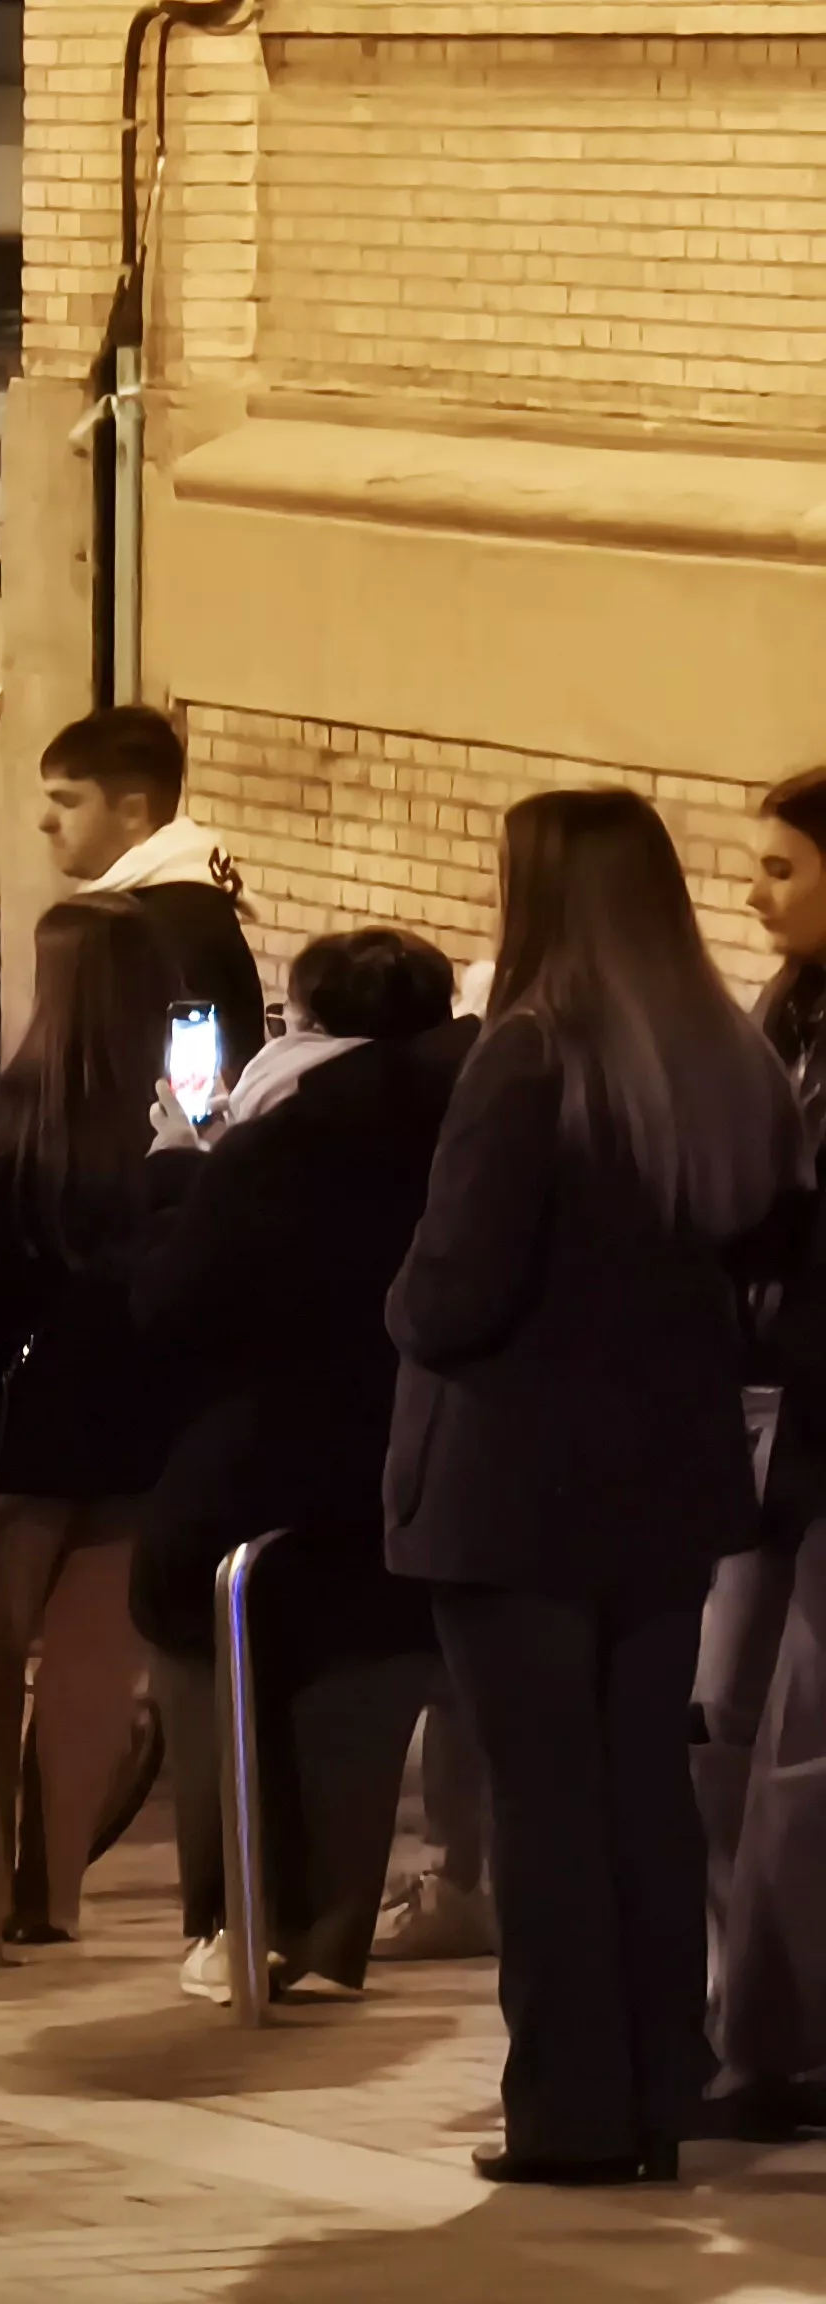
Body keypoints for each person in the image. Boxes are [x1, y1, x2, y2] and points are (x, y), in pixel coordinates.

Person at [398, 789, 801, 2185]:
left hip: (516, 1492)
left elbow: (452, 1294)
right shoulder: (718, 1058)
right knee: (640, 1787)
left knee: (544, 1806)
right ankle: (651, 2093)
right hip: (668, 1484)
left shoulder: (526, 1058)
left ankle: (566, 2111)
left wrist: (392, 1303)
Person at [128, 927, 466, 2003]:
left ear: (303, 1020)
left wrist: (181, 1174)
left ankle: (241, 1918)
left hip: (271, 1473)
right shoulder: (478, 1121)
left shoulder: (274, 1142)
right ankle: (336, 1922)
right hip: (423, 1462)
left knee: (210, 1634)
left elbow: (175, 1309)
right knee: (370, 1679)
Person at [0, 897, 186, 1948]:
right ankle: (51, 1892)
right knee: (87, 1670)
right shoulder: (158, 1140)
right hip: (125, 1441)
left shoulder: (8, 1122)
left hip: (11, 1444)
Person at [713, 764, 826, 2132]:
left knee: (800, 1745)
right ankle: (751, 2021)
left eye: (785, 870)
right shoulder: (781, 1017)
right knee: (723, 1729)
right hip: (755, 1428)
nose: (756, 891)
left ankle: (778, 2044)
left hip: (809, 1423)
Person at [0, 708, 261, 1072]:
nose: (44, 822)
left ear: (132, 812)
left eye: (66, 801)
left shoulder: (154, 930)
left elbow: (184, 1099)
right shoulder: (172, 906)